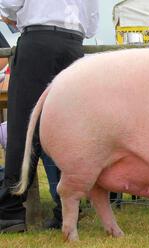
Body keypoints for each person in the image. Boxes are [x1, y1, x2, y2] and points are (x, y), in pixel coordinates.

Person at [0, 0, 99, 233]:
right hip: (74, 46)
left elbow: (8, 4)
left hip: (38, 42)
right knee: (70, 131)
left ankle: (11, 211)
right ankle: (67, 207)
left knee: (24, 127)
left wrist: (16, 17)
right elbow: (93, 24)